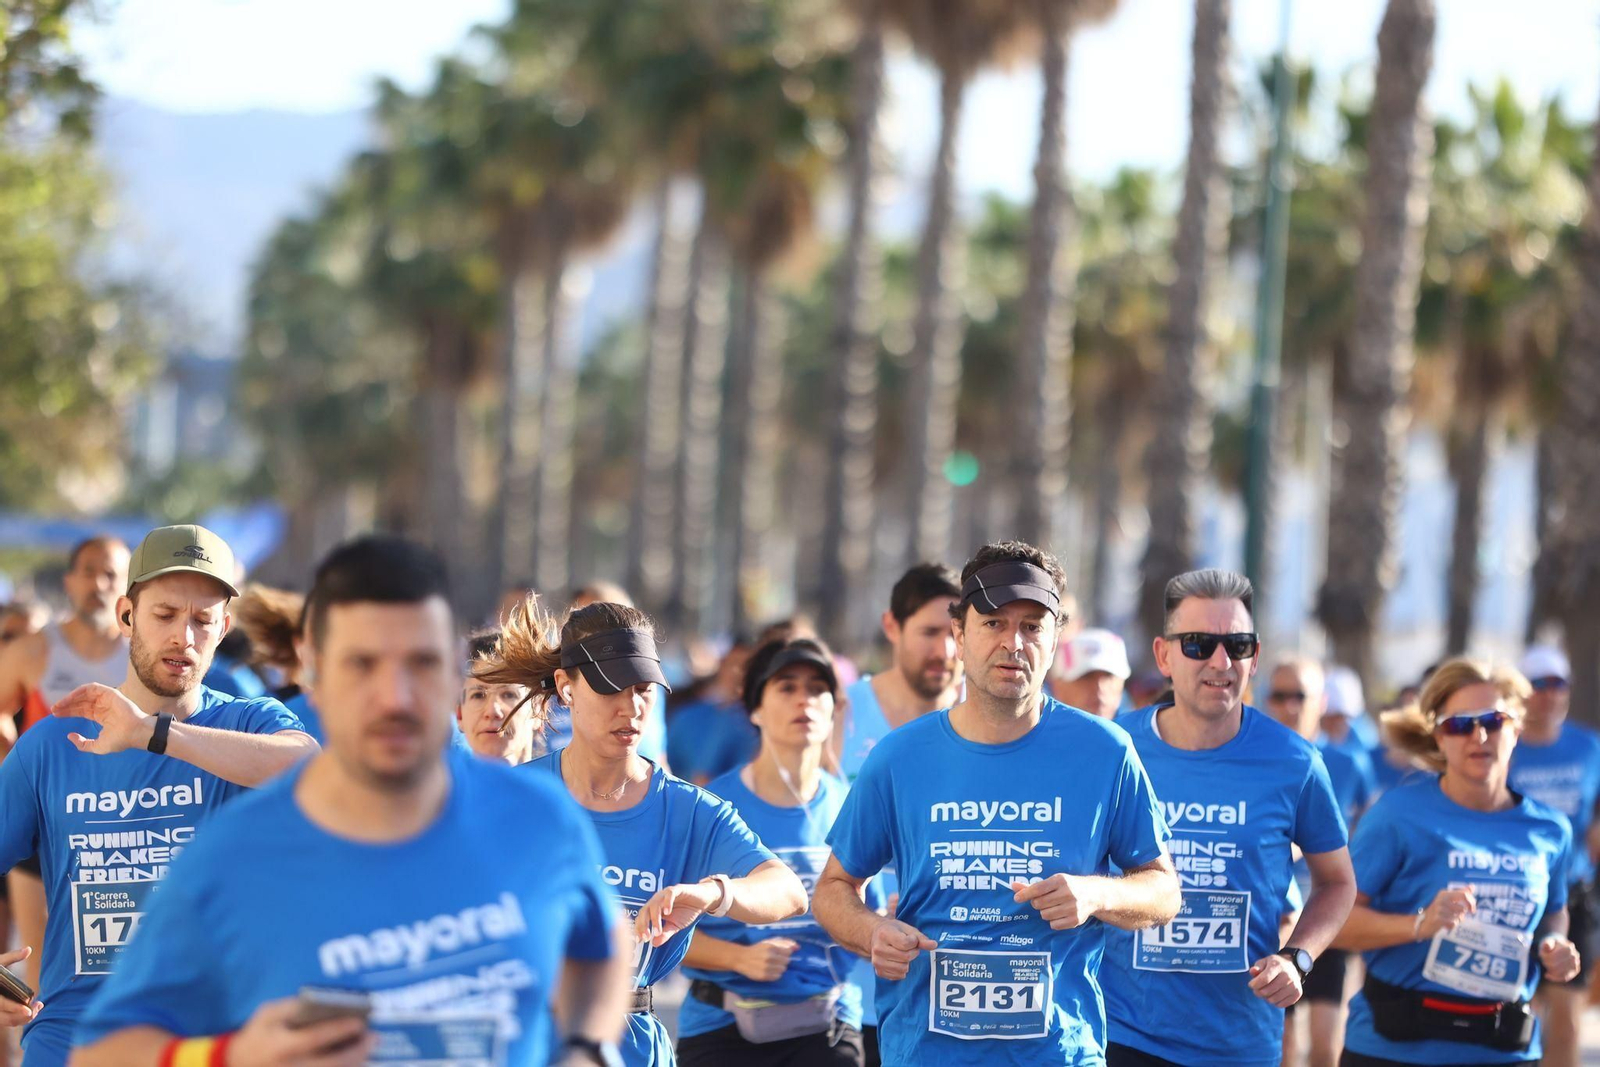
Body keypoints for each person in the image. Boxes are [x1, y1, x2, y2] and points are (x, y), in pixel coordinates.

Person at [71, 534, 632, 1067]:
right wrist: (230, 1055)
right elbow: (102, 1053)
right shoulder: (233, 858)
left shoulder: (537, 818)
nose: (395, 697)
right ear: (311, 669)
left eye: (422, 663)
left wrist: (587, 1047)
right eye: (363, 664)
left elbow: (602, 942)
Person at [814, 540, 1179, 1066]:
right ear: (959, 635)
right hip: (926, 1052)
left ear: (1055, 640)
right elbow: (832, 889)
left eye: (1033, 626)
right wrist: (872, 931)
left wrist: (1094, 894)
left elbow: (1165, 892)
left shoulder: (1105, 751)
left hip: (1058, 1054)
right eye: (993, 623)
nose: (1014, 642)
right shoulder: (899, 757)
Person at [0, 524, 316, 1067]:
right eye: (165, 615)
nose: (183, 638)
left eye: (202, 620)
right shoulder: (52, 744)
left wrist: (153, 732)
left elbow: (307, 765)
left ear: (225, 628)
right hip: (74, 1037)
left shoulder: (246, 721)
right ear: (126, 616)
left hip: (210, 1040)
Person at [476, 597, 807, 1066]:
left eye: (643, 689)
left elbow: (788, 890)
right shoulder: (517, 797)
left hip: (632, 1048)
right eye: (611, 688)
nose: (630, 707)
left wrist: (713, 893)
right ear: (565, 687)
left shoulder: (688, 809)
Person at [1101, 572, 1356, 1067]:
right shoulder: (1113, 748)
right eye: (1198, 644)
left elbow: (1338, 883)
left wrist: (1297, 959)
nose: (1220, 662)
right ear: (1163, 656)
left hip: (1238, 1043)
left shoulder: (1294, 762)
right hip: (1121, 1033)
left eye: (1237, 646)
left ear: (1254, 657)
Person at [1333, 657, 1580, 1066]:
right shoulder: (1397, 814)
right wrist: (1420, 924)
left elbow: (1554, 913)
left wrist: (1555, 945)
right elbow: (1336, 924)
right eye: (1459, 724)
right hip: (1395, 1049)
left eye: (1494, 721)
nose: (1478, 735)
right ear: (1439, 737)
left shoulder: (1550, 830)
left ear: (1517, 729)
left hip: (1503, 1050)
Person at [678, 636, 877, 1066]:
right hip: (721, 1023)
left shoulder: (855, 804)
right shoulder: (711, 806)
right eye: (786, 686)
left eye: (817, 688)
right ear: (755, 708)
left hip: (827, 1023)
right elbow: (664, 928)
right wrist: (740, 958)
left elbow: (869, 930)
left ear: (835, 708)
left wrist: (884, 926)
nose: (803, 700)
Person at [1264, 654, 1376, 1067]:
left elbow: (1371, 820)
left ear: (1322, 701)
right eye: (1279, 696)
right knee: (1283, 1043)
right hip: (1275, 922)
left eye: (1300, 696)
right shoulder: (1257, 758)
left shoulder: (1348, 762)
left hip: (1328, 915)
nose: (1290, 706)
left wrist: (1325, 848)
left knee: (1327, 1042)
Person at [1507, 645, 1600, 1067]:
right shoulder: (1504, 745)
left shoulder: (1588, 746)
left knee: (1566, 1022)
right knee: (1517, 1016)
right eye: (1537, 684)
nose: (1548, 694)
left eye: (1557, 683)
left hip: (1574, 894)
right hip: (1513, 889)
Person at [667, 638, 757, 785]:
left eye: (747, 668)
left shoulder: (759, 726)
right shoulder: (688, 717)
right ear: (722, 665)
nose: (738, 674)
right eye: (733, 664)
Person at [458, 630, 544, 765]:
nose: (492, 711)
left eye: (509, 694)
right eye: (478, 695)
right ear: (459, 715)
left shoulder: (563, 785)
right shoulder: (442, 785)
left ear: (539, 711)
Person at [1048, 627, 1131, 719]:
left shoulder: (1143, 730)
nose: (1100, 687)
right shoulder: (1034, 730)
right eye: (1087, 676)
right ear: (1057, 685)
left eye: (1108, 676)